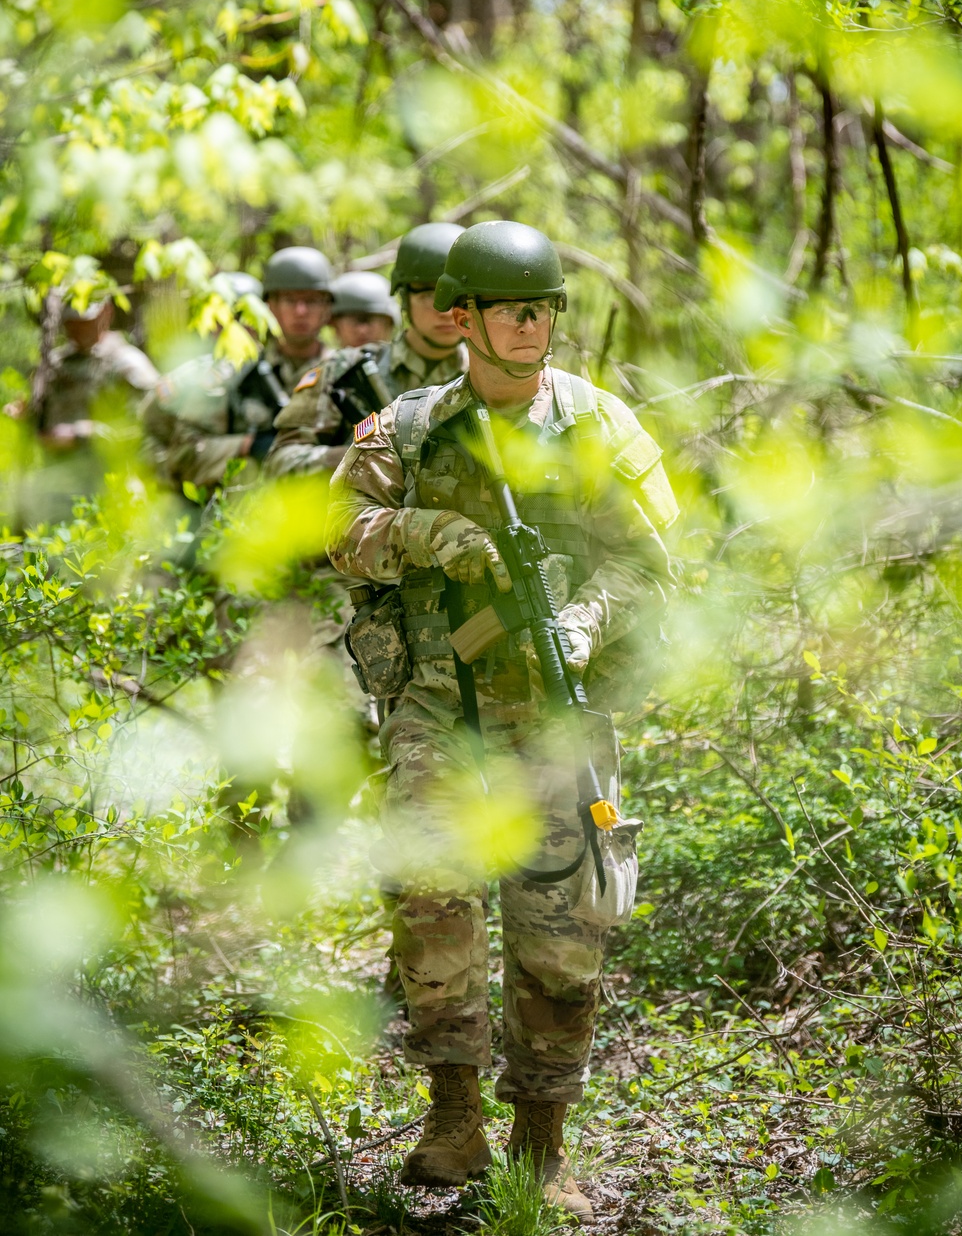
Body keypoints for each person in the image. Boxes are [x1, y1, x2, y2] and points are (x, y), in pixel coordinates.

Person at [325, 222, 677, 1221]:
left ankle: (542, 1140)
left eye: (544, 310)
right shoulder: (408, 427)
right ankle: (451, 1116)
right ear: (462, 319)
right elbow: (333, 536)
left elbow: (652, 559)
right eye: (510, 311)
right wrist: (421, 533)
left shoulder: (599, 426)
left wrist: (583, 620)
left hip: (558, 711)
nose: (530, 328)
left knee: (561, 925)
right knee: (433, 899)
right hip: (442, 701)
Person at [264, 223, 468, 480]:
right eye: (431, 294)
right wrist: (360, 455)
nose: (447, 311)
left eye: (459, 297)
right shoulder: (344, 371)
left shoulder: (491, 376)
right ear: (404, 298)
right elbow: (279, 464)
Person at [142, 250, 337, 492]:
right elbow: (186, 456)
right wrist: (248, 446)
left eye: (311, 301)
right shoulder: (236, 373)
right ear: (269, 305)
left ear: (328, 308)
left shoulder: (347, 373)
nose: (300, 311)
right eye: (289, 300)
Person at [24, 290, 159, 520]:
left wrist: (86, 433)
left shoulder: (127, 364)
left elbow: (156, 428)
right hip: (57, 489)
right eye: (70, 322)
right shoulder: (54, 364)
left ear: (106, 313)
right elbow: (40, 427)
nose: (76, 329)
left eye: (84, 321)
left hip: (111, 485)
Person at [329, 270, 400, 350]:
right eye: (353, 321)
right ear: (336, 325)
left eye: (369, 320)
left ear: (388, 324)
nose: (362, 330)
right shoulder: (323, 361)